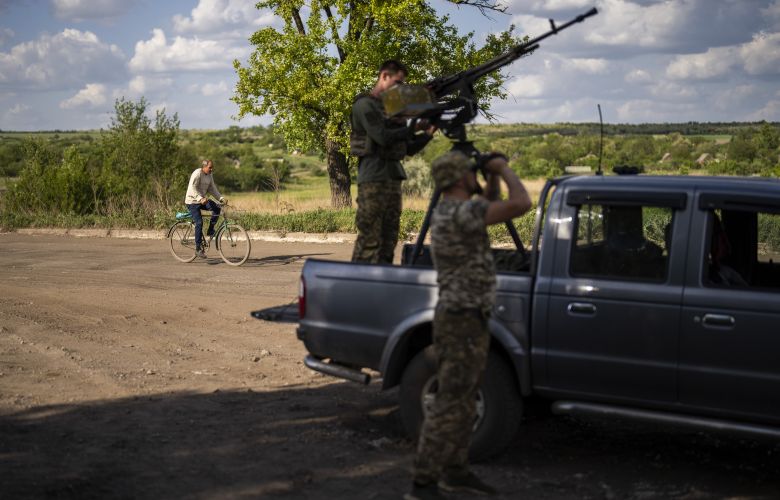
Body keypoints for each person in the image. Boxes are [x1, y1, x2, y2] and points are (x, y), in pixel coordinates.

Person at [405, 150, 532, 500]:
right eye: (470, 173)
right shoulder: (463, 212)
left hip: (463, 317)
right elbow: (521, 203)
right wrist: (502, 168)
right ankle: (423, 481)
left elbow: (487, 201)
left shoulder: (451, 211)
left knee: (461, 401)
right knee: (450, 402)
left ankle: (455, 472)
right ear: (460, 178)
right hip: (462, 320)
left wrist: (488, 178)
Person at [350, 59, 437, 264]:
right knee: (370, 240)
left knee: (389, 240)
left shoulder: (392, 112)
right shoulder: (365, 105)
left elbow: (407, 148)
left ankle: (381, 285)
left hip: (392, 178)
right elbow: (381, 136)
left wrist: (428, 133)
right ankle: (357, 287)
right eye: (397, 82)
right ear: (384, 76)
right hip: (373, 179)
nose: (400, 89)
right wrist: (413, 128)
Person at [185, 159, 225, 259]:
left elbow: (212, 188)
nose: (211, 169)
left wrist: (220, 198)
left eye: (212, 167)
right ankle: (198, 249)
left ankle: (210, 230)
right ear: (204, 167)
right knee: (199, 222)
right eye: (210, 167)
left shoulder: (210, 176)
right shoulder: (197, 173)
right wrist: (200, 198)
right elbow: (192, 188)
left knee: (216, 208)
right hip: (192, 202)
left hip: (203, 200)